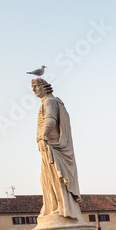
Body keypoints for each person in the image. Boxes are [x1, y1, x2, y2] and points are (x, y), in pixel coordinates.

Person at [33, 78, 82, 219]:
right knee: (47, 178)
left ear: (44, 87)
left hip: (52, 145)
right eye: (33, 88)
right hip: (50, 145)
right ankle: (55, 206)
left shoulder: (49, 102)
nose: (34, 90)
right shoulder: (54, 102)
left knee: (55, 176)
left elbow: (50, 119)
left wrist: (43, 136)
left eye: (36, 86)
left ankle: (61, 207)